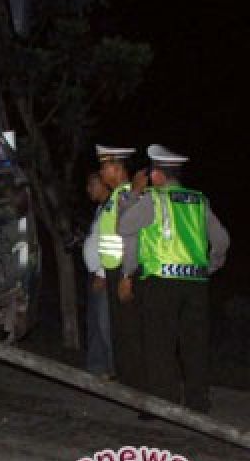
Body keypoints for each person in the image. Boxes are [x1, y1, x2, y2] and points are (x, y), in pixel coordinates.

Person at [117, 144, 230, 412]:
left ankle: (161, 404)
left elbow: (124, 226)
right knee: (195, 344)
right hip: (196, 284)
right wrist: (208, 266)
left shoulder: (154, 200)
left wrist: (133, 192)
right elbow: (222, 240)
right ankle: (198, 402)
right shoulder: (199, 201)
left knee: (159, 344)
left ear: (156, 176)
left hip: (161, 282)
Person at [94, 144, 143, 387]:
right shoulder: (116, 197)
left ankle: (135, 384)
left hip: (125, 271)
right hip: (114, 271)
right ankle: (127, 380)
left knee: (128, 331)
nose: (102, 173)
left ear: (118, 168)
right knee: (120, 331)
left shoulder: (126, 196)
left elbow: (131, 237)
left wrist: (127, 275)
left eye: (105, 167)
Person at [82, 171, 114, 378]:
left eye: (92, 184)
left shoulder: (112, 208)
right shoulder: (100, 209)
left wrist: (102, 273)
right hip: (94, 273)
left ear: (104, 186)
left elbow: (112, 241)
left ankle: (112, 369)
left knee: (104, 323)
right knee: (94, 322)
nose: (88, 189)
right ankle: (96, 368)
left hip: (104, 274)